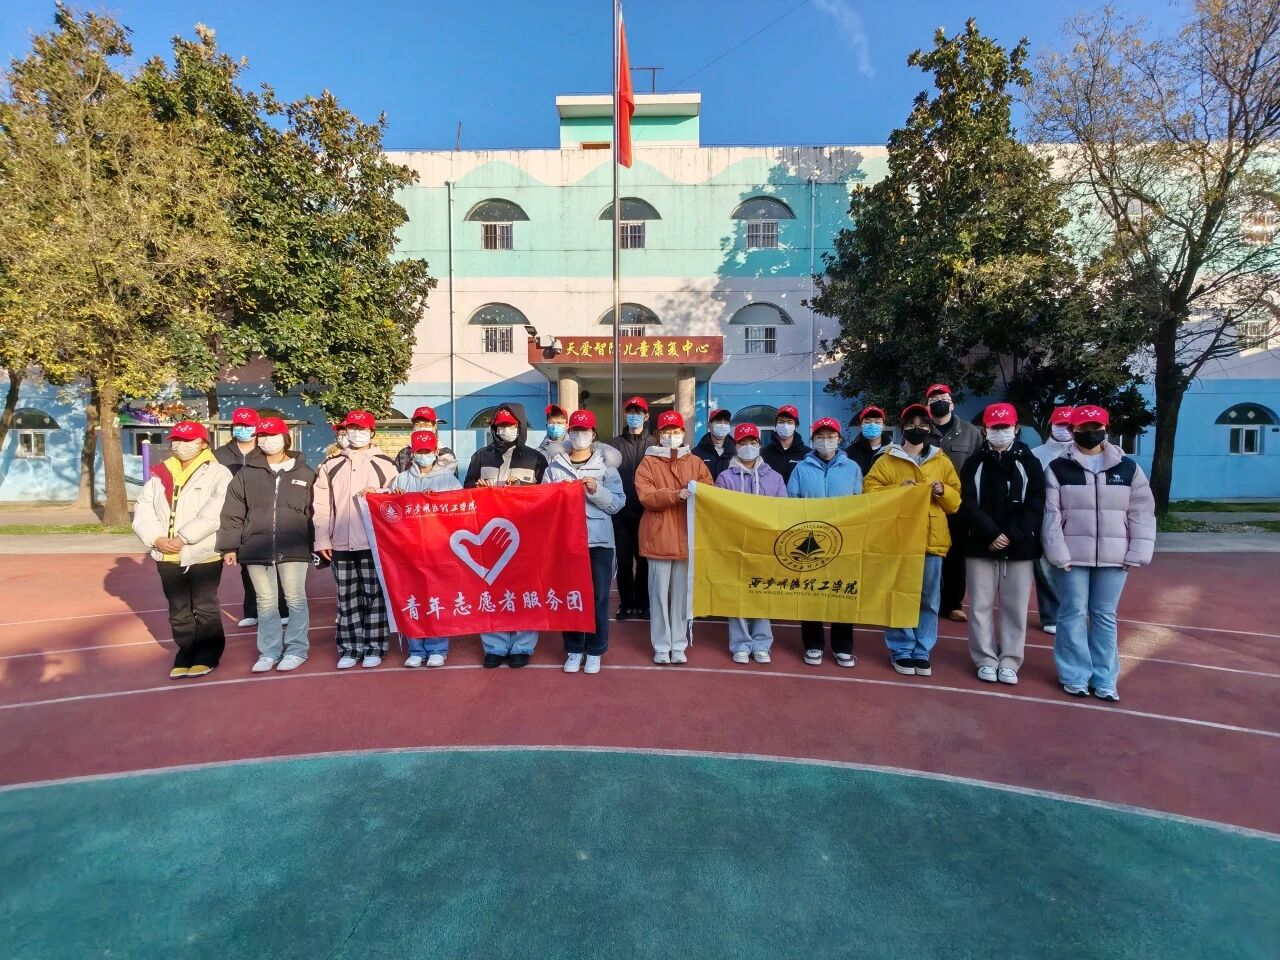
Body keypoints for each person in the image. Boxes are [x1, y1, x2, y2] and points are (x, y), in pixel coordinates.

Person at [1041, 405, 1156, 702]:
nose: (1090, 432)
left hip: (1114, 557)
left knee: (1105, 616)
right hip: (1072, 557)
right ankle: (1074, 675)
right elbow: (1051, 514)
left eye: (1096, 427)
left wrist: (1137, 552)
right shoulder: (1058, 468)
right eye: (1083, 427)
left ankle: (1105, 679)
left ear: (1106, 428)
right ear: (1074, 430)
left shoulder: (1128, 468)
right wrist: (1058, 552)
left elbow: (1141, 512)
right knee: (1072, 613)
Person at [864, 403, 962, 677]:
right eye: (911, 423)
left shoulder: (942, 461)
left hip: (932, 540)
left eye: (922, 424)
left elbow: (956, 500)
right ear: (902, 428)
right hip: (898, 541)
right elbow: (869, 493)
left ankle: (922, 650)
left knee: (929, 598)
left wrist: (942, 492)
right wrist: (898, 490)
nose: (916, 428)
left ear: (929, 429)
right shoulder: (887, 460)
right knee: (899, 595)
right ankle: (901, 649)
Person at [132, 421, 232, 679]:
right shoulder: (161, 473)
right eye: (176, 440)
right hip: (166, 553)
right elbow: (144, 509)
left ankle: (208, 653)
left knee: (204, 605)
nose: (180, 446)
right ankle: (186, 649)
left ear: (203, 443)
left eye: (188, 441)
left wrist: (184, 538)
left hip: (203, 553)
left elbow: (215, 512)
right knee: (178, 607)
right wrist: (155, 538)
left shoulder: (218, 473)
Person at [217, 417, 316, 674]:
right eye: (262, 436)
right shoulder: (246, 474)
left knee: (295, 600)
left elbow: (313, 512)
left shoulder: (305, 473)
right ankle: (269, 651)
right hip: (256, 547)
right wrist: (229, 546)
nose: (267, 440)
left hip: (294, 547)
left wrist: (316, 544)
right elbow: (233, 512)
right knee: (265, 602)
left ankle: (296, 650)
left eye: (273, 436)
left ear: (285, 438)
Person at [959, 403, 1045, 685]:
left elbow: (1036, 503)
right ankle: (985, 658)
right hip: (980, 545)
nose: (1000, 432)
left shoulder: (1030, 462)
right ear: (984, 430)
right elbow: (967, 502)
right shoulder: (974, 463)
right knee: (980, 606)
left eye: (1005, 427)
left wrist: (1011, 534)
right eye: (994, 427)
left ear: (1015, 428)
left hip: (1019, 548)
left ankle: (1010, 659)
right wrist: (990, 533)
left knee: (1015, 607)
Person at [464, 405, 548, 667]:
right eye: (501, 426)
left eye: (510, 425)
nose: (505, 430)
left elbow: (548, 494)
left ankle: (523, 645)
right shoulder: (481, 456)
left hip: (525, 534)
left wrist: (524, 487)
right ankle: (495, 646)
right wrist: (477, 488)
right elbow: (466, 488)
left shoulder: (536, 458)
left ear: (519, 427)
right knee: (491, 589)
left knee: (525, 590)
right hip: (488, 533)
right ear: (493, 428)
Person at [313, 410, 398, 669]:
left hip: (374, 543)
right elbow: (321, 506)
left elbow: (397, 498)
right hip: (340, 542)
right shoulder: (330, 465)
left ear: (372, 433)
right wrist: (322, 540)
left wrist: (380, 492)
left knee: (375, 596)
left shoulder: (386, 464)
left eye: (362, 429)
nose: (357, 433)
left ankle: (375, 646)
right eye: (352, 428)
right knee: (346, 598)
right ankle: (350, 648)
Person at [543, 409, 626, 674]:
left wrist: (596, 490)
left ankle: (595, 649)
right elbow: (543, 504)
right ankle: (573, 648)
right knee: (570, 596)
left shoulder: (606, 468)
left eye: (585, 430)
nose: (580, 435)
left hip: (598, 542)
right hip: (566, 543)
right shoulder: (554, 467)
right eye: (576, 430)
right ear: (569, 433)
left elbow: (617, 503)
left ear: (594, 434)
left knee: (598, 597)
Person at [634, 411, 713, 664]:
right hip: (658, 538)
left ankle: (678, 645)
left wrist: (697, 493)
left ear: (683, 433)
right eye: (666, 432)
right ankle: (661, 645)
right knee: (658, 596)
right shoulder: (648, 463)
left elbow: (708, 490)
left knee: (681, 597)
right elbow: (646, 496)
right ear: (659, 434)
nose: (671, 436)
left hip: (686, 538)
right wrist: (674, 495)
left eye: (675, 431)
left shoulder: (695, 462)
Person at [786, 417, 864, 667]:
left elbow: (859, 502)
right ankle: (813, 644)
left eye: (831, 437)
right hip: (810, 540)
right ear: (813, 440)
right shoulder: (801, 468)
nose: (826, 441)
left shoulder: (852, 467)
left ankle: (843, 646)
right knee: (811, 591)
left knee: (842, 591)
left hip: (843, 540)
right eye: (820, 437)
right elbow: (792, 502)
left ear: (839, 439)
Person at [389, 430, 463, 667]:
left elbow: (461, 510)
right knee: (412, 596)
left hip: (438, 547)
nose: (423, 455)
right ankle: (416, 647)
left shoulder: (448, 480)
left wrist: (440, 501)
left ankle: (438, 647)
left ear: (436, 452)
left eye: (427, 451)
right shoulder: (400, 480)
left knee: (437, 597)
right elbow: (388, 513)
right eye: (419, 451)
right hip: (407, 550)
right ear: (412, 452)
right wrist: (393, 498)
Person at [715, 423, 787, 663]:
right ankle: (740, 644)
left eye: (752, 442)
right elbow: (719, 512)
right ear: (735, 446)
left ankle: (762, 642)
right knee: (737, 593)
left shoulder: (774, 477)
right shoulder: (724, 477)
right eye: (743, 443)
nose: (748, 447)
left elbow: (783, 511)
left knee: (761, 592)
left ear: (759, 444)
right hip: (735, 544)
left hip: (764, 545)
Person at [213, 406, 287, 628]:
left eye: (248, 426)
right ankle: (252, 611)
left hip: (262, 512)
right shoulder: (219, 455)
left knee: (277, 564)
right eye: (239, 425)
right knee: (248, 565)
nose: (243, 429)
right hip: (234, 514)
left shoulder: (264, 452)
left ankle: (282, 608)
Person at [925, 383, 982, 624]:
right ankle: (926, 600)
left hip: (958, 504)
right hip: (926, 505)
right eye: (933, 400)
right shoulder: (920, 429)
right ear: (927, 406)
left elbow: (979, 466)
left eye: (943, 398)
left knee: (956, 555)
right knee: (926, 553)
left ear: (952, 403)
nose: (939, 402)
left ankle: (953, 603)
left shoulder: (970, 432)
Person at [1030, 405, 1076, 636]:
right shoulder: (1036, 454)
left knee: (1075, 570)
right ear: (1051, 425)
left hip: (1076, 520)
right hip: (1044, 519)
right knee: (1046, 569)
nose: (1064, 429)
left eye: (1069, 425)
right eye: (1060, 424)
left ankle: (1074, 613)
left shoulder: (1082, 453)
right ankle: (1051, 615)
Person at [606, 396, 653, 621]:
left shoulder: (655, 445)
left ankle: (643, 603)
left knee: (644, 560)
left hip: (647, 512)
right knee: (624, 561)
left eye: (639, 412)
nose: (634, 416)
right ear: (625, 415)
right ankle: (626, 604)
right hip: (621, 514)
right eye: (631, 412)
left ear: (646, 416)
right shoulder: (614, 445)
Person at [393, 406, 457, 475]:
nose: (421, 428)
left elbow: (451, 479)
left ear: (434, 426)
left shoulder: (446, 453)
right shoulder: (404, 453)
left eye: (426, 425)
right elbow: (397, 477)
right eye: (417, 424)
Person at [761, 404, 810, 483]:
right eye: (781, 422)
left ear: (796, 426)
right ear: (776, 425)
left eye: (789, 422)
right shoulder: (764, 453)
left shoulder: (807, 454)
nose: (785, 425)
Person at [846, 405, 890, 477]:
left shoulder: (893, 451)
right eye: (867, 422)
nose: (872, 425)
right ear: (861, 426)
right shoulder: (849, 453)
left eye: (877, 422)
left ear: (883, 427)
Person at [693, 407, 736, 480]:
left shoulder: (736, 452)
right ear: (709, 426)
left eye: (726, 422)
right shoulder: (696, 453)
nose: (722, 425)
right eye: (718, 421)